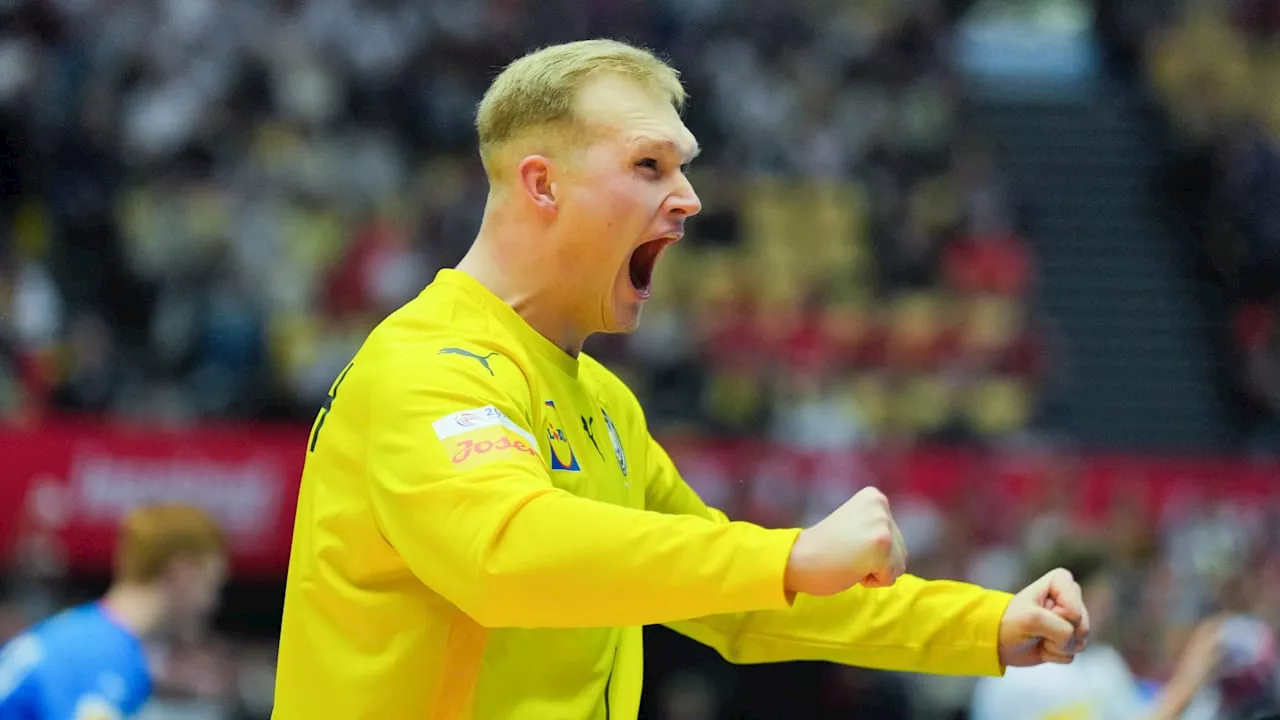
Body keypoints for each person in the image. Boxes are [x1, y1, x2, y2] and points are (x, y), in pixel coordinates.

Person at [273, 39, 1090, 719]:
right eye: (649, 165)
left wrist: (987, 624)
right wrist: (794, 555)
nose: (690, 199)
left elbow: (730, 593)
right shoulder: (427, 365)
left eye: (683, 167)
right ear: (542, 182)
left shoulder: (605, 406)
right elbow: (506, 553)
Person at [0, 503, 227, 718]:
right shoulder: (108, 656)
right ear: (183, 574)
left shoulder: (83, 632)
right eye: (212, 586)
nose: (211, 604)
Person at [970, 541, 1224, 720]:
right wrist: (1193, 672)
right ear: (1070, 597)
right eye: (1103, 599)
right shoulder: (1021, 676)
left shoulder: (1101, 665)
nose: (1109, 610)